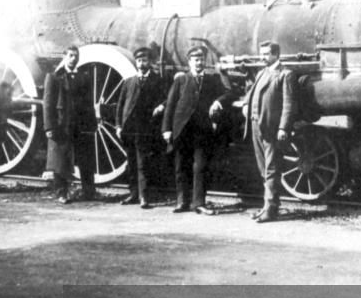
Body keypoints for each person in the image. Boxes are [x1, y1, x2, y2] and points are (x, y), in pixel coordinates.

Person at [161, 45, 234, 215]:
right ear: (189, 62)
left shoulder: (212, 80)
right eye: (195, 60)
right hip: (182, 130)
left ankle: (199, 203)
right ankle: (182, 201)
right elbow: (170, 105)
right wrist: (166, 129)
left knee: (200, 167)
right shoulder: (181, 80)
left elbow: (230, 93)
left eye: (201, 59)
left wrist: (218, 101)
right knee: (181, 167)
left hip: (202, 131)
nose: (199, 62)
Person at [244, 40, 297, 223]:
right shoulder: (262, 73)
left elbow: (288, 104)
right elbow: (251, 93)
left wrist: (283, 127)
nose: (262, 57)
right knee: (262, 169)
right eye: (262, 53)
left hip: (272, 129)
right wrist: (246, 104)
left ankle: (271, 210)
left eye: (266, 54)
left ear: (276, 54)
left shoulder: (285, 74)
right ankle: (268, 206)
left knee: (271, 169)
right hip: (255, 125)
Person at [43, 45, 96, 204]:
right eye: (71, 55)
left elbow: (89, 103)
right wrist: (49, 127)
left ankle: (89, 192)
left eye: (76, 56)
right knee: (61, 161)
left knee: (85, 159)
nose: (74, 59)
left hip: (80, 125)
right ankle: (61, 193)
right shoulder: (54, 77)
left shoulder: (84, 77)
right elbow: (47, 104)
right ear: (65, 57)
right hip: (62, 125)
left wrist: (92, 123)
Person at [115, 47, 166, 209]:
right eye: (139, 60)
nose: (142, 63)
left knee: (143, 163)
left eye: (144, 60)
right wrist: (118, 125)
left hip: (146, 128)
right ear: (136, 62)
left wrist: (162, 106)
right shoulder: (129, 82)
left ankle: (144, 196)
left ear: (149, 62)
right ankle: (134, 194)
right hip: (129, 128)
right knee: (131, 162)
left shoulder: (157, 80)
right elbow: (120, 106)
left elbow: (167, 97)